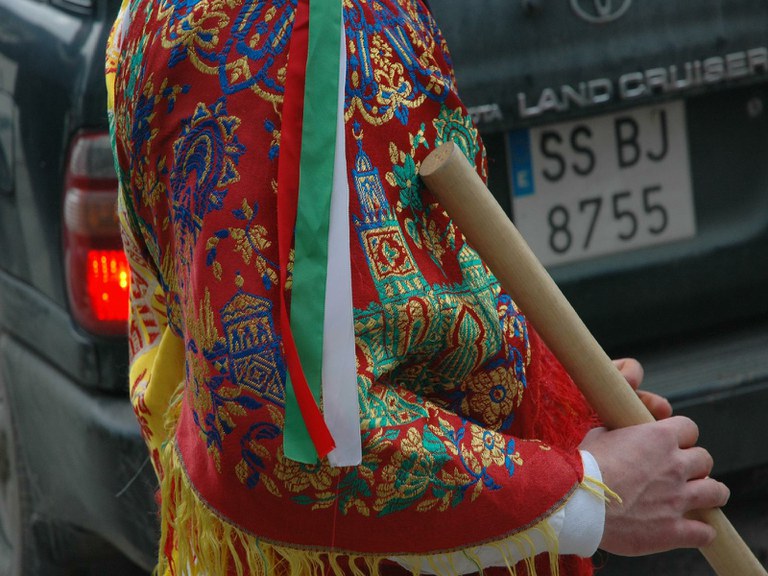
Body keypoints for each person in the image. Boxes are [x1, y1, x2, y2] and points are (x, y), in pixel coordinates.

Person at [105, 1, 730, 575]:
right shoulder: (284, 37)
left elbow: (429, 276)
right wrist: (584, 494)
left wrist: (556, 404)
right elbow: (277, 421)